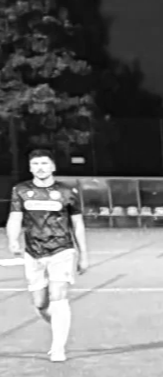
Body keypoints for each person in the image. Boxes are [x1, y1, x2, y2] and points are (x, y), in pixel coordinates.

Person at [7, 148, 89, 362]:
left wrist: (83, 255)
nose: (40, 168)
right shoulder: (21, 190)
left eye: (44, 163)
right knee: (40, 303)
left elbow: (77, 224)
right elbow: (15, 218)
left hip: (62, 249)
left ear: (53, 166)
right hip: (33, 252)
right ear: (30, 168)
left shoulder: (67, 192)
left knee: (58, 295)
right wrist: (13, 240)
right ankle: (59, 324)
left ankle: (58, 348)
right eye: (35, 164)